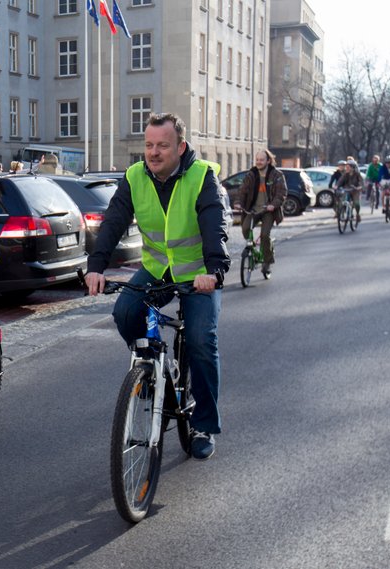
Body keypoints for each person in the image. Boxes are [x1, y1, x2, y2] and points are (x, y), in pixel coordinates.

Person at [84, 112, 230, 460]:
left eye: (162, 145)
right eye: (149, 145)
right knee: (126, 312)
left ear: (180, 147)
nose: (153, 152)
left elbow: (215, 226)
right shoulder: (135, 177)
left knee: (199, 339)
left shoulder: (202, 178)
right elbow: (113, 222)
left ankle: (204, 424)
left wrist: (215, 271)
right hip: (157, 269)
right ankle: (152, 371)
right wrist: (95, 267)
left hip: (198, 274)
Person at [233, 149, 288, 277]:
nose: (258, 162)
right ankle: (251, 249)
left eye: (261, 160)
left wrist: (273, 205)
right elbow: (242, 190)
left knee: (264, 236)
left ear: (268, 161)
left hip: (268, 210)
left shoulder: (276, 175)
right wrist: (238, 203)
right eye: (257, 160)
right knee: (246, 228)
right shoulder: (251, 174)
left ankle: (267, 262)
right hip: (253, 209)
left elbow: (281, 193)